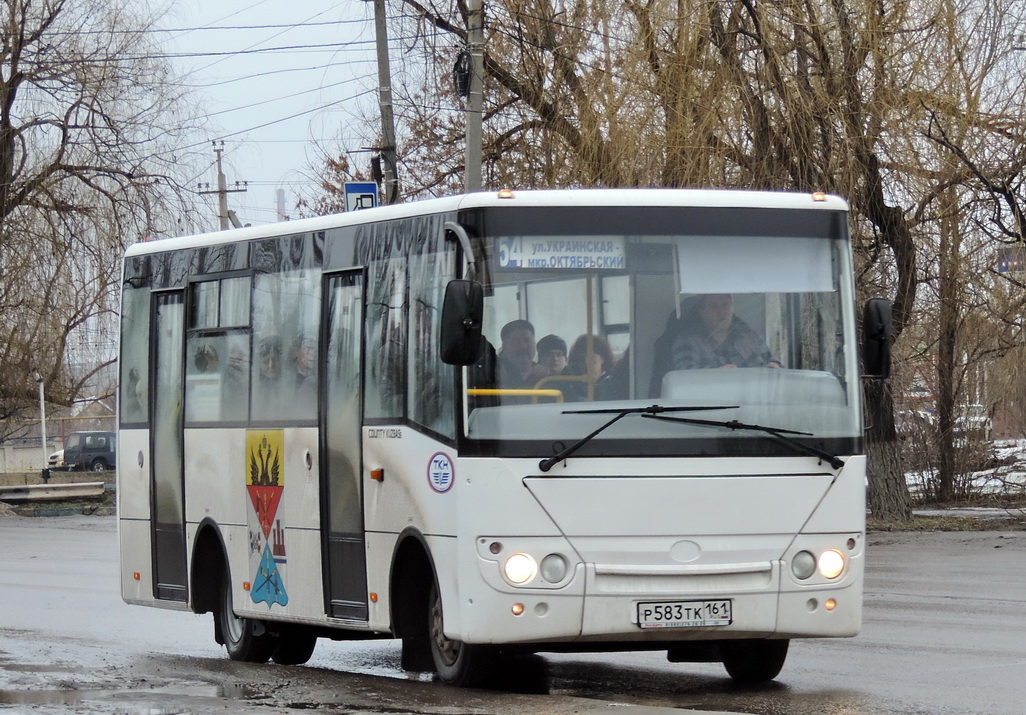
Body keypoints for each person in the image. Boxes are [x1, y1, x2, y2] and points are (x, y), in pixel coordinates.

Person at [650, 293, 779, 396]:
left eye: (725, 305)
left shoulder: (749, 336)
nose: (722, 312)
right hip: (709, 415)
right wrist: (717, 375)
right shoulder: (687, 341)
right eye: (714, 306)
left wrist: (774, 368)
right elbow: (684, 377)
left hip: (753, 411)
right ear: (701, 312)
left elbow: (774, 364)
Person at [496, 319, 548, 395]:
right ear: (504, 346)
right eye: (516, 341)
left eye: (527, 340)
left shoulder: (544, 373)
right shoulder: (495, 371)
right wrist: (527, 376)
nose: (523, 346)